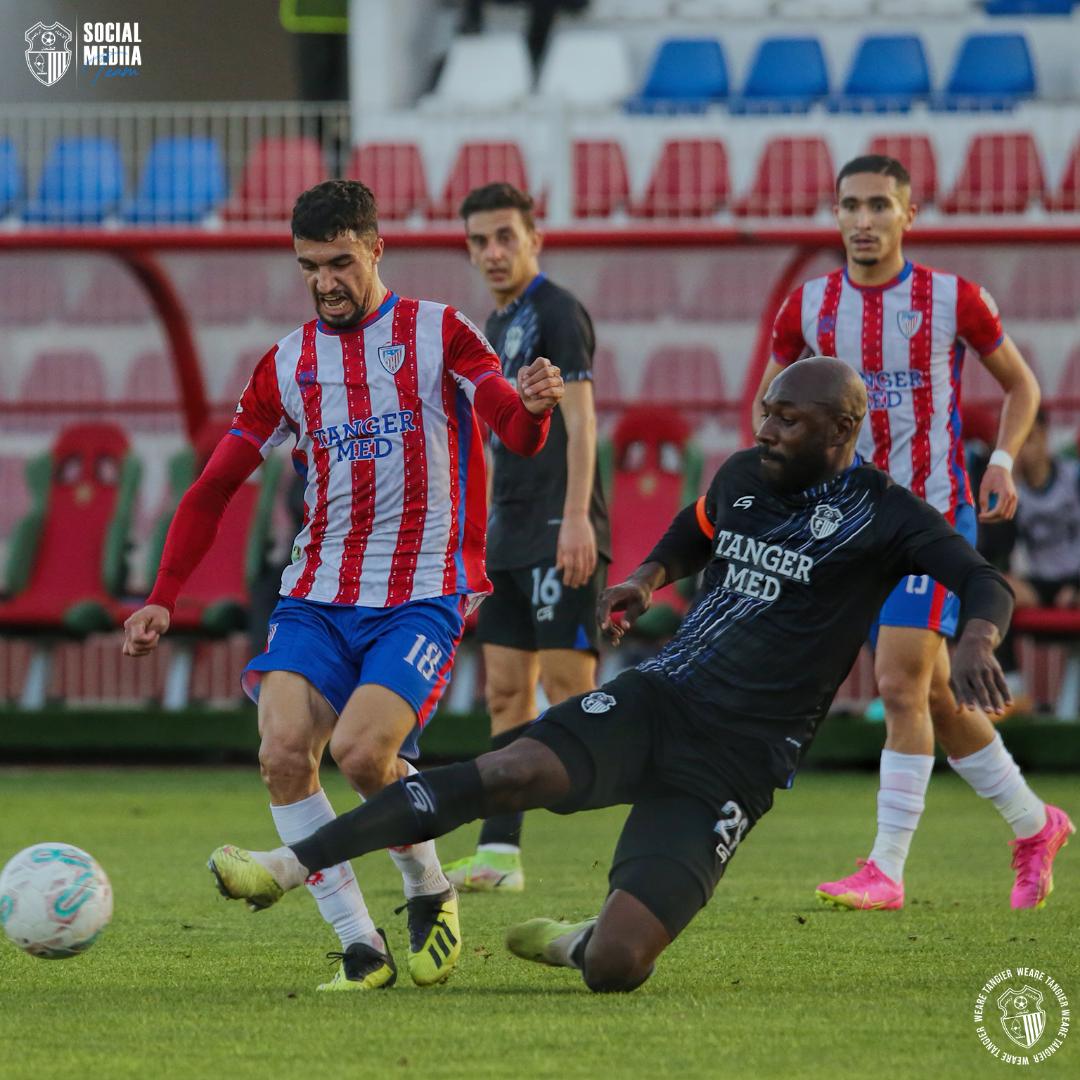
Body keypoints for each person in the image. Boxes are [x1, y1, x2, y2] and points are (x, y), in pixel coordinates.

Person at [208, 357, 1069, 994]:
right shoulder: (743, 474)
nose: (766, 429)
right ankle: (290, 865)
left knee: (617, 969)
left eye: (789, 421)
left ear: (842, 432)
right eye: (766, 411)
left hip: (738, 763)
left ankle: (581, 939)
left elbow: (983, 578)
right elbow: (696, 528)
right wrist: (648, 580)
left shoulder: (888, 514)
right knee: (508, 770)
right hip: (662, 696)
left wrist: (976, 638)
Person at [122, 180, 565, 991]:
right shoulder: (286, 365)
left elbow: (512, 429)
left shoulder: (441, 334)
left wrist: (534, 411)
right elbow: (214, 485)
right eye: (308, 267)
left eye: (339, 262)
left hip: (424, 590)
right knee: (284, 754)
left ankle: (428, 884)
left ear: (374, 250)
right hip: (319, 593)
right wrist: (164, 591)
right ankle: (361, 947)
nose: (325, 281)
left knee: (365, 755)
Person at [756, 155, 1061, 911]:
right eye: (850, 206)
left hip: (930, 517)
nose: (863, 220)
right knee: (929, 692)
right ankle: (1036, 822)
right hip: (848, 522)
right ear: (835, 217)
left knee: (895, 683)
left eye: (879, 206)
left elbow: (1022, 383)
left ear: (908, 214)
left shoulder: (952, 298)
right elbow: (776, 407)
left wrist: (1002, 462)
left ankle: (886, 868)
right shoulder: (809, 307)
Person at [441, 182, 610, 893]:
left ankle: (671, 802)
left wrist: (577, 519)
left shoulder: (557, 311)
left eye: (506, 236)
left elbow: (583, 421)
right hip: (508, 532)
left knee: (575, 692)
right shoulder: (494, 321)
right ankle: (500, 855)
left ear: (534, 237)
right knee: (507, 693)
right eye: (480, 241)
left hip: (557, 525)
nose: (493, 252)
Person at [1006, 409, 1080, 610]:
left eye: (1029, 438)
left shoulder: (1073, 476)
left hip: (1076, 577)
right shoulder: (1010, 488)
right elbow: (1000, 550)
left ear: (1045, 434)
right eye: (1016, 441)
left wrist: (1075, 587)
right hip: (1038, 584)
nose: (1022, 449)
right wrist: (1008, 491)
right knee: (997, 591)